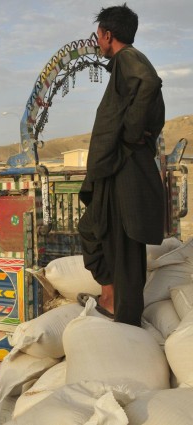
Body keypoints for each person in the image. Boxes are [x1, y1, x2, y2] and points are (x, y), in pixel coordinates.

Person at [77, 4, 165, 326]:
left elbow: (149, 82)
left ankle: (124, 318)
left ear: (108, 34)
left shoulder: (130, 59)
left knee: (124, 245)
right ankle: (110, 298)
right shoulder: (125, 64)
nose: (98, 42)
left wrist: (129, 133)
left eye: (98, 35)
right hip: (115, 169)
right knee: (94, 230)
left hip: (126, 169)